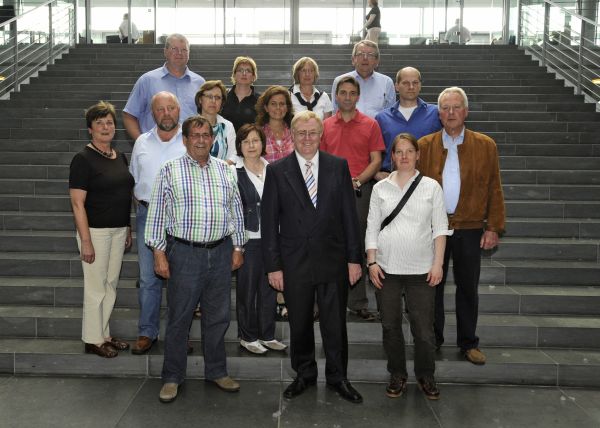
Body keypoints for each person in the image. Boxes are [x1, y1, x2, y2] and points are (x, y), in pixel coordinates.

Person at [261, 110, 364, 404]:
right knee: (301, 323)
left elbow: (349, 216)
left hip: (332, 259)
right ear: (293, 136)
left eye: (313, 133)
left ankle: (338, 377)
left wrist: (354, 259)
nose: (307, 138)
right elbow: (269, 223)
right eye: (301, 133)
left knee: (335, 324)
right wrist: (273, 266)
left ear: (322, 136)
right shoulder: (277, 170)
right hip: (295, 262)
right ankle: (304, 374)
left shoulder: (338, 167)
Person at [145, 115, 246, 403]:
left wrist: (238, 248)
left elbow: (236, 211)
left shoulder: (225, 171)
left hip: (221, 252)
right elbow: (157, 215)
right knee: (179, 318)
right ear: (185, 139)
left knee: (218, 317)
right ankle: (172, 377)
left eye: (206, 135)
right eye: (195, 135)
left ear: (212, 139)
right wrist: (158, 252)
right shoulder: (169, 170)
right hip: (184, 254)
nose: (201, 139)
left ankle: (217, 371)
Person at [418, 87, 505, 365]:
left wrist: (493, 227)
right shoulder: (424, 145)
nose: (451, 113)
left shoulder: (486, 145)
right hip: (434, 229)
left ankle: (469, 342)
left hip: (469, 227)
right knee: (433, 287)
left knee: (468, 287)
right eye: (445, 108)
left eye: (456, 107)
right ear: (439, 113)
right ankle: (433, 339)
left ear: (466, 112)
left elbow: (495, 188)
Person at [366, 133, 450, 401]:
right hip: (387, 269)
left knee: (424, 329)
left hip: (422, 271)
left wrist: (438, 264)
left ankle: (426, 374)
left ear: (417, 155)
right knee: (390, 326)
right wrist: (371, 262)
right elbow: (371, 228)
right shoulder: (380, 189)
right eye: (399, 152)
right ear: (392, 156)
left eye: (409, 151)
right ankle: (398, 374)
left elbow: (440, 230)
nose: (404, 156)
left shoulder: (431, 187)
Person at [69, 101, 134, 358]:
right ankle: (92, 339)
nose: (106, 127)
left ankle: (104, 334)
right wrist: (86, 240)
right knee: (96, 286)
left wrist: (127, 226)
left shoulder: (120, 156)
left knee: (110, 284)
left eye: (109, 122)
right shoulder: (82, 159)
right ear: (90, 129)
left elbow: (124, 194)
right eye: (99, 123)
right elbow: (77, 203)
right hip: (95, 232)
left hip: (118, 230)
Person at [321, 76, 385, 321]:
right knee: (327, 244)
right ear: (336, 96)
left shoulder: (370, 124)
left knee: (357, 243)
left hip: (360, 191)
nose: (347, 97)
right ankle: (326, 298)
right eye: (343, 93)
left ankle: (357, 302)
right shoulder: (325, 125)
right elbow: (320, 160)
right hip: (330, 192)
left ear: (358, 97)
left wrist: (357, 180)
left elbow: (376, 160)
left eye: (352, 93)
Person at [129, 91, 186, 355]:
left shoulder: (188, 142)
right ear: (152, 113)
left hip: (180, 217)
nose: (166, 113)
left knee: (181, 280)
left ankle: (177, 336)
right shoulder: (141, 141)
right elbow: (135, 181)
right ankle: (146, 332)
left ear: (179, 110)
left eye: (170, 108)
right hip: (147, 214)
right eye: (160, 109)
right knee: (148, 276)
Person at [232, 124, 287, 355]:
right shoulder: (233, 172)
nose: (251, 146)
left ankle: (267, 335)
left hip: (272, 239)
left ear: (263, 144)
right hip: (248, 240)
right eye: (246, 142)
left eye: (255, 141)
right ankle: (248, 336)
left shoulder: (273, 169)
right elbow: (232, 208)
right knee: (248, 291)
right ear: (240, 146)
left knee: (268, 290)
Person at [123, 33, 205, 141]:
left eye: (184, 50)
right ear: (165, 51)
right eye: (174, 49)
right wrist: (142, 143)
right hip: (156, 149)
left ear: (189, 53)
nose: (179, 53)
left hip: (191, 150)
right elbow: (129, 115)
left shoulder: (200, 83)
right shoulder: (147, 80)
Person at [375, 67, 442, 180]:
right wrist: (376, 173)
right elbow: (373, 152)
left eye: (415, 83)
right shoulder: (381, 118)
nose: (411, 87)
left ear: (420, 85)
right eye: (406, 83)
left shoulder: (436, 113)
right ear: (396, 86)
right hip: (392, 180)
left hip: (427, 179)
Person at [331, 40, 395, 118]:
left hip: (377, 128)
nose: (365, 58)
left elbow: (390, 114)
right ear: (353, 59)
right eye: (360, 54)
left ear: (377, 61)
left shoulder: (387, 82)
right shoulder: (340, 81)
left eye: (370, 55)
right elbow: (335, 111)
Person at [194, 80, 237, 164]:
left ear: (222, 102)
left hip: (222, 173)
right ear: (200, 99)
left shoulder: (227, 126)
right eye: (209, 96)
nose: (213, 101)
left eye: (217, 97)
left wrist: (219, 169)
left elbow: (234, 155)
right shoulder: (190, 126)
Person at [255, 85, 295, 164]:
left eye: (282, 104)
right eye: (273, 104)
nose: (278, 107)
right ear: (266, 108)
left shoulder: (295, 132)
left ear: (287, 108)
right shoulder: (257, 133)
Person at [222, 56, 260, 132]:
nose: (244, 73)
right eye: (240, 70)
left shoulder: (260, 100)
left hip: (249, 143)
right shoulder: (223, 97)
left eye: (248, 71)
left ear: (253, 76)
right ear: (234, 75)